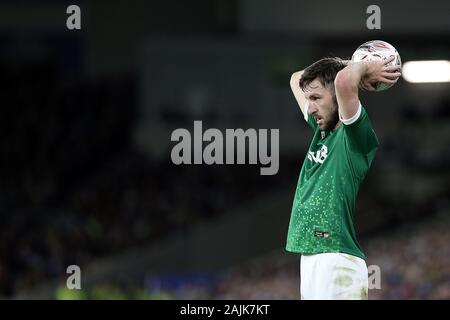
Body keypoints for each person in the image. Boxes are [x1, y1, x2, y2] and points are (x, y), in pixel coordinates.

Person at [286, 56, 401, 300]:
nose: (310, 107)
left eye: (316, 98)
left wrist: (366, 66)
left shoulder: (354, 136)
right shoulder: (322, 130)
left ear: (338, 96)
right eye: (309, 100)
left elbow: (346, 82)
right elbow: (296, 77)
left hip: (336, 258)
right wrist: (346, 62)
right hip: (314, 257)